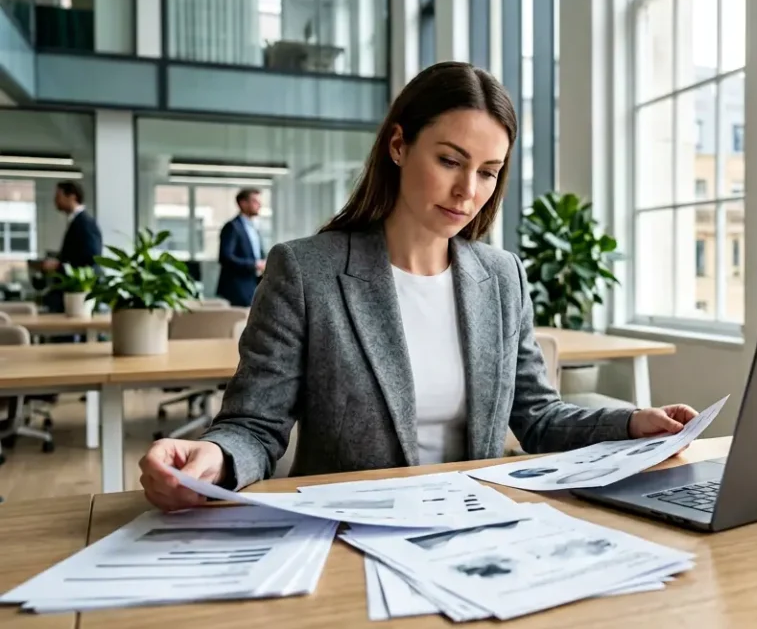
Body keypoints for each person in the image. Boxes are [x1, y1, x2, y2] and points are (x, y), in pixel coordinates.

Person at [138, 62, 698, 511]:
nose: (467, 190)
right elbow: (255, 426)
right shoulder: (306, 272)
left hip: (478, 527)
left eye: (488, 171)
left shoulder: (501, 276)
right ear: (399, 146)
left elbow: (536, 416)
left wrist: (630, 422)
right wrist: (213, 455)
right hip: (347, 534)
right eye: (450, 160)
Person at [40, 181, 102, 314]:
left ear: (72, 197)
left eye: (58, 196)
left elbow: (91, 257)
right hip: (73, 292)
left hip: (79, 292)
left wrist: (58, 266)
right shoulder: (76, 221)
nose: (55, 201)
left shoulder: (84, 223)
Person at [215, 189, 266, 307]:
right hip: (237, 288)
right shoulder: (232, 227)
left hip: (254, 284)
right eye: (255, 201)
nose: (259, 205)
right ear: (243, 203)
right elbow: (225, 257)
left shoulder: (254, 227)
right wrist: (255, 264)